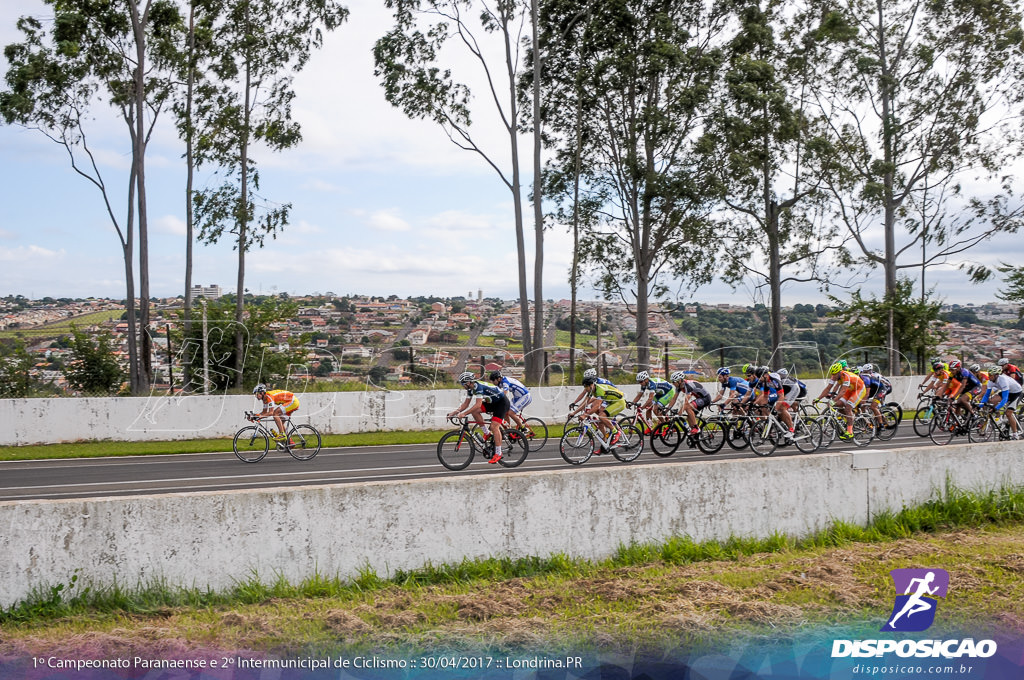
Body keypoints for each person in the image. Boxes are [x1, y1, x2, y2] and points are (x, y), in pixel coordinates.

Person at [448, 371, 511, 464]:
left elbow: (478, 405)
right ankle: (487, 433)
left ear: (469, 382)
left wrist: (464, 414)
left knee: (494, 426)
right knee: (475, 412)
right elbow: (465, 404)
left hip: (502, 403)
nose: (463, 386)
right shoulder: (470, 389)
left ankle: (498, 453)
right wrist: (454, 413)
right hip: (493, 402)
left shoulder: (478, 387)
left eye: (463, 384)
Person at [568, 375, 628, 447]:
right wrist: (574, 413)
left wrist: (585, 415)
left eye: (587, 386)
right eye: (584, 387)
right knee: (600, 423)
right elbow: (585, 403)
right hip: (611, 402)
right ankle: (605, 444)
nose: (585, 388)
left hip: (619, 402)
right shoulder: (591, 391)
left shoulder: (599, 390)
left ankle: (616, 432)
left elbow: (596, 406)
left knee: (601, 416)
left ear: (592, 385)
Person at [816, 362, 865, 440]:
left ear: (840, 372)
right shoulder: (834, 376)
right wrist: (818, 398)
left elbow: (842, 391)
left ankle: (850, 432)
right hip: (850, 389)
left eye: (835, 374)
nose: (833, 376)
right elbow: (828, 388)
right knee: (838, 405)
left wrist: (833, 400)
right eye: (832, 374)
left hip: (859, 389)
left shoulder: (846, 376)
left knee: (847, 408)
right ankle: (849, 419)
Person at [980, 364, 1023, 439]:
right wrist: (980, 405)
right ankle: (999, 417)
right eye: (989, 374)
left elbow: (1005, 399)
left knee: (1008, 413)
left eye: (991, 375)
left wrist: (996, 408)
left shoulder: (1003, 380)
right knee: (991, 400)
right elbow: (987, 395)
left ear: (996, 375)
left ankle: (1015, 433)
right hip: (1008, 392)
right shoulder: (990, 381)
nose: (989, 376)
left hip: (1016, 393)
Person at [667, 370, 712, 436]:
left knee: (688, 407)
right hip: (700, 398)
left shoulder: (688, 386)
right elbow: (674, 399)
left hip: (705, 398)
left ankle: (696, 428)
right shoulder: (678, 386)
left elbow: (686, 402)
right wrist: (667, 410)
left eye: (674, 381)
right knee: (689, 417)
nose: (673, 383)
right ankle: (695, 436)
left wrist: (680, 412)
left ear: (679, 381)